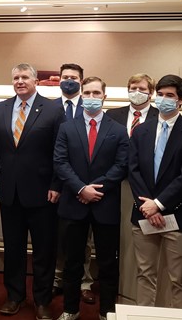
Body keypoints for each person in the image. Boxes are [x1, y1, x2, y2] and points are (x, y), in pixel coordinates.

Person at [0, 63, 65, 320]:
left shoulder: (53, 109)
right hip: (9, 192)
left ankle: (42, 301)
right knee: (13, 249)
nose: (20, 81)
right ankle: (14, 296)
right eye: (16, 77)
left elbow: (60, 150)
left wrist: (56, 184)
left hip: (43, 193)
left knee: (44, 250)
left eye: (25, 77)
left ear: (35, 80)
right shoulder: (0, 108)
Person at [54, 77, 129, 320]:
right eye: (87, 92)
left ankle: (107, 312)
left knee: (107, 263)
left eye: (97, 92)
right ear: (81, 95)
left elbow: (122, 165)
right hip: (73, 203)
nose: (91, 97)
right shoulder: (66, 127)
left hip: (104, 203)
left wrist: (96, 189)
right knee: (72, 262)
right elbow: (60, 162)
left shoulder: (117, 129)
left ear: (104, 96)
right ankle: (70, 309)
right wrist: (80, 189)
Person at [127, 74, 182, 309]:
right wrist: (148, 207)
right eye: (159, 94)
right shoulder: (141, 130)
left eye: (169, 95)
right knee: (144, 274)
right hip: (143, 214)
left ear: (180, 100)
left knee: (179, 278)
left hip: (176, 216)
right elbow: (133, 169)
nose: (163, 99)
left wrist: (158, 204)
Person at [52, 63, 95, 305]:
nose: (69, 80)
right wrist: (56, 184)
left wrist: (83, 187)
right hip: (57, 185)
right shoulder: (48, 108)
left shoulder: (92, 108)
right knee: (59, 238)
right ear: (58, 79)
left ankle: (84, 282)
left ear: (81, 80)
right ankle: (59, 280)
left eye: (74, 77)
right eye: (65, 77)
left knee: (84, 240)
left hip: (85, 187)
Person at [106, 73, 159, 137]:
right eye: (133, 88)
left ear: (151, 92)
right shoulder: (112, 115)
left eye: (142, 89)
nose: (137, 92)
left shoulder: (159, 115)